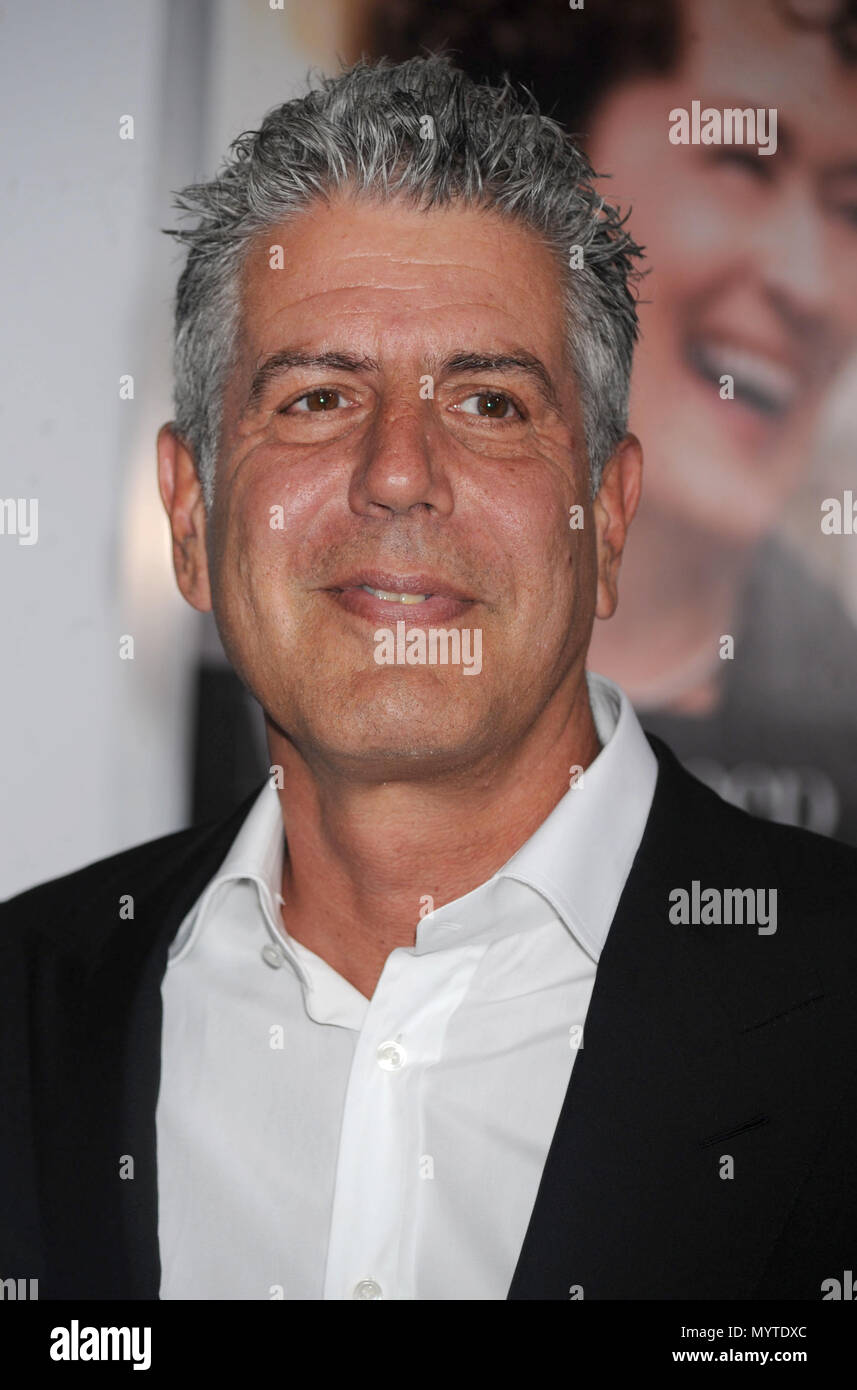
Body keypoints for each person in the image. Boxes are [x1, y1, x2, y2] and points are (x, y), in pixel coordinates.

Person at [2, 55, 856, 1302]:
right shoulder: (23, 1010)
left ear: (609, 519)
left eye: (489, 402)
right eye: (316, 395)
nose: (397, 472)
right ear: (189, 517)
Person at [349, 0, 857, 845]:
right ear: (531, 187)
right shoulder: (280, 655)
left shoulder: (835, 722)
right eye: (741, 164)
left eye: (850, 208)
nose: (808, 283)